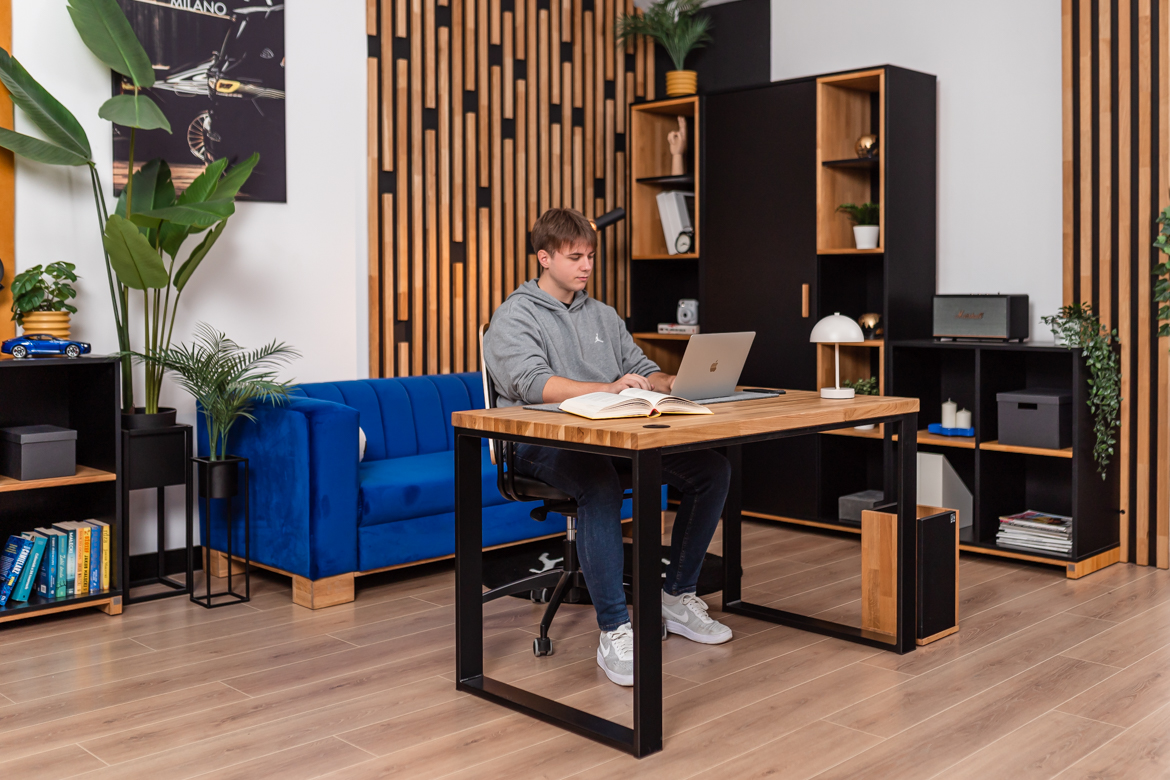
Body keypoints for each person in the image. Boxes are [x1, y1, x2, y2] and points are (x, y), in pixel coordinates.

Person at [483, 208, 732, 687]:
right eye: (574, 257)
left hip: (611, 433)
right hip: (536, 442)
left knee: (711, 470)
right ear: (544, 258)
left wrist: (674, 381)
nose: (586, 266)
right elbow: (531, 383)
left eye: (590, 256)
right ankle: (615, 630)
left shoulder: (603, 314)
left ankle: (677, 599)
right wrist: (609, 388)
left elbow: (639, 367)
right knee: (597, 484)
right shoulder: (515, 314)